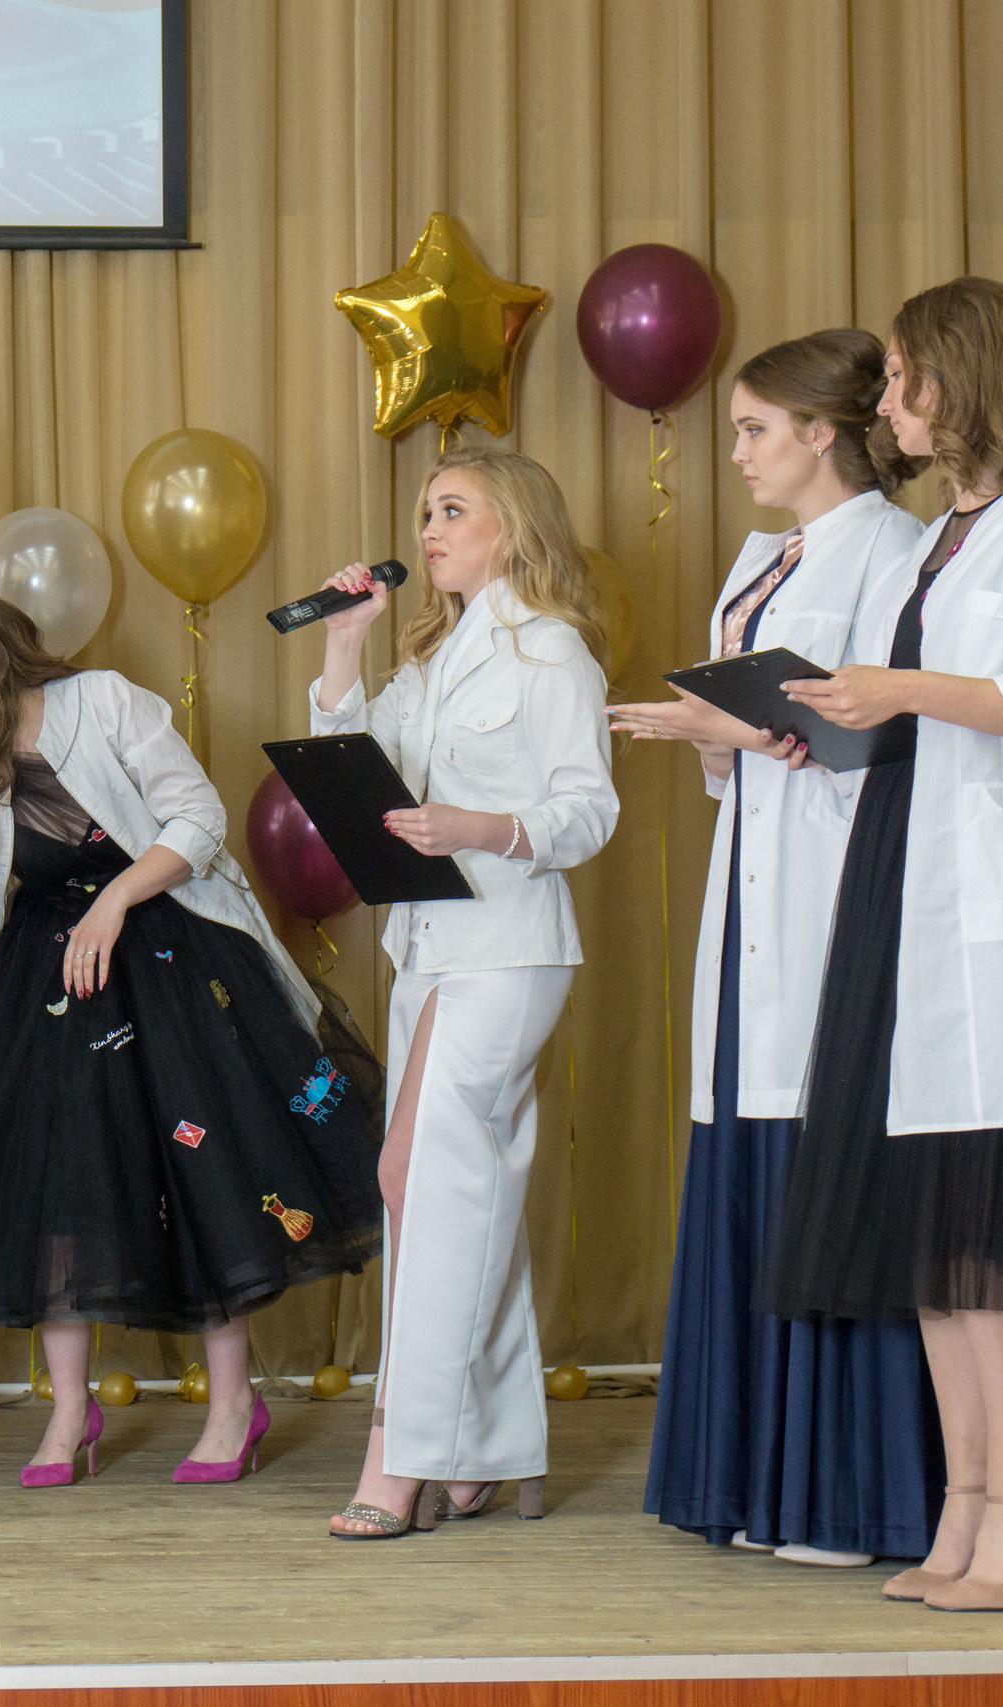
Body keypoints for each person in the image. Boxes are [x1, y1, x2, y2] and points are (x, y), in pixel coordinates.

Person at [764, 277, 1003, 1612]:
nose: (889, 399)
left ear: (962, 374)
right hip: (908, 882)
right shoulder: (944, 534)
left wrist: (901, 687)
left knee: (993, 1223)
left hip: (999, 905)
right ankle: (974, 1495)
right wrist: (837, 719)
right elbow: (927, 708)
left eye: (906, 372)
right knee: (929, 1224)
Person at [0, 583, 383, 1489]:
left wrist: (113, 899)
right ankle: (70, 1408)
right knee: (65, 1185)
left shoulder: (102, 703)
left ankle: (231, 1405)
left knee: (206, 1171)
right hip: (50, 986)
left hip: (167, 954)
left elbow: (201, 820)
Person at [608, 331, 943, 1566]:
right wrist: (713, 739)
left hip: (838, 890)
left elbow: (886, 748)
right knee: (749, 1140)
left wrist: (741, 730)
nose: (737, 450)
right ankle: (755, 1478)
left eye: (754, 428)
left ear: (819, 431)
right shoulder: (765, 559)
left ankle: (849, 1497)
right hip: (756, 889)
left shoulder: (896, 558)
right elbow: (752, 763)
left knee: (827, 1154)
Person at [310, 447, 619, 1538]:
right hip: (429, 941)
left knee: (426, 1173)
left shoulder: (552, 654)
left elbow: (588, 812)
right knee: (421, 1176)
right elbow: (356, 765)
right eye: (423, 512)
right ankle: (485, 1446)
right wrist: (345, 640)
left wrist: (478, 829)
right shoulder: (433, 661)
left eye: (452, 511)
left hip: (511, 944)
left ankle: (404, 1446)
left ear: (510, 526)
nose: (428, 530)